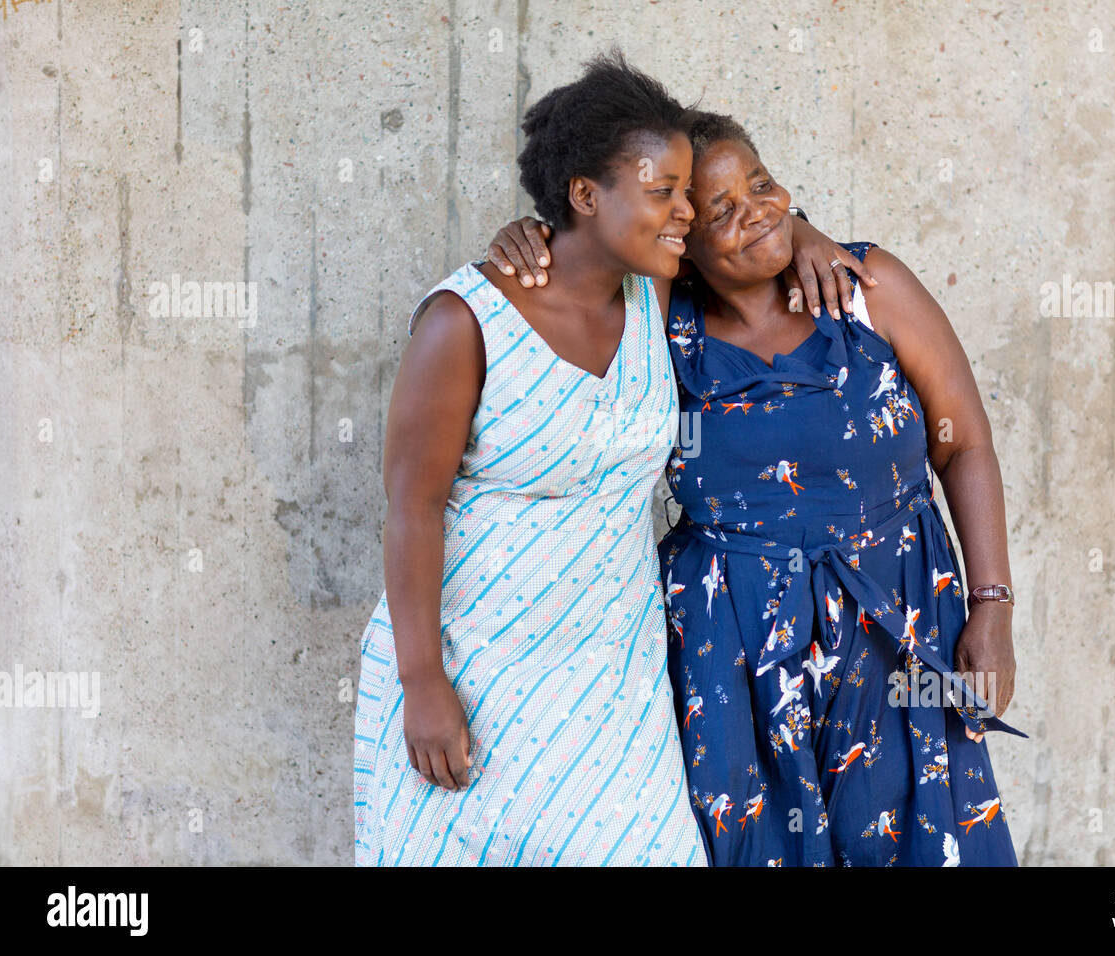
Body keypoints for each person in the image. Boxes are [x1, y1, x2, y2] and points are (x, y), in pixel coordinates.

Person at [354, 53, 855, 866]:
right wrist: (422, 682)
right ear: (585, 195)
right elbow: (412, 508)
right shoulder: (464, 321)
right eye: (665, 193)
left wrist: (804, 233)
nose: (687, 211)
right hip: (475, 669)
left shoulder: (652, 293)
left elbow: (750, 222)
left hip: (614, 679)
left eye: (687, 193)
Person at [487, 111, 1025, 866]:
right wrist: (531, 236)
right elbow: (583, 267)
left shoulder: (866, 288)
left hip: (899, 613)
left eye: (764, 186)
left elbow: (964, 444)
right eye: (721, 211)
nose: (758, 212)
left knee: (927, 835)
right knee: (759, 845)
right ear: (680, 242)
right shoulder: (655, 328)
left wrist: (991, 606)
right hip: (731, 641)